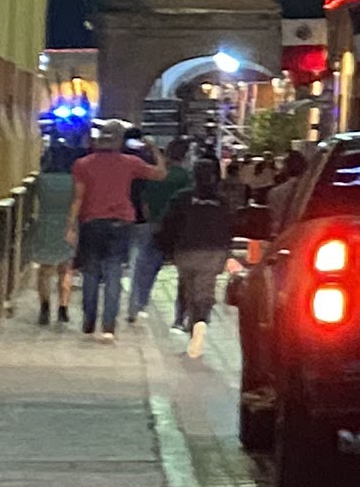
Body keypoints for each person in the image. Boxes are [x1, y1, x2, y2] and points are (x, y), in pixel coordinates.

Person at [163, 153, 237, 361]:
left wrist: (167, 247)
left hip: (187, 249)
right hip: (214, 251)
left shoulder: (182, 198)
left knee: (188, 287)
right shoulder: (222, 202)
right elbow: (230, 227)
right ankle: (201, 321)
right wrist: (228, 252)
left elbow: (169, 224)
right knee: (205, 288)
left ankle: (190, 322)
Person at [71, 131, 142, 333]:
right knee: (114, 273)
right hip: (120, 224)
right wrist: (153, 149)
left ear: (96, 143)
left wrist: (71, 225)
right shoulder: (130, 162)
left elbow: (78, 197)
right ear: (117, 143)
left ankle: (89, 321)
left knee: (90, 273)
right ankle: (109, 324)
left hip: (91, 223)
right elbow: (160, 173)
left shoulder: (82, 164)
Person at [129, 141, 187, 320]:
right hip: (178, 229)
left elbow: (144, 201)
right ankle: (180, 316)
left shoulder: (156, 176)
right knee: (184, 274)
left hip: (153, 225)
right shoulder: (186, 177)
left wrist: (151, 219)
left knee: (145, 268)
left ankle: (138, 304)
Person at [29, 154, 77, 324]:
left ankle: (44, 308)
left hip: (46, 223)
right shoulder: (73, 181)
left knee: (44, 270)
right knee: (66, 269)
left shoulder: (41, 180)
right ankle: (63, 308)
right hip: (67, 224)